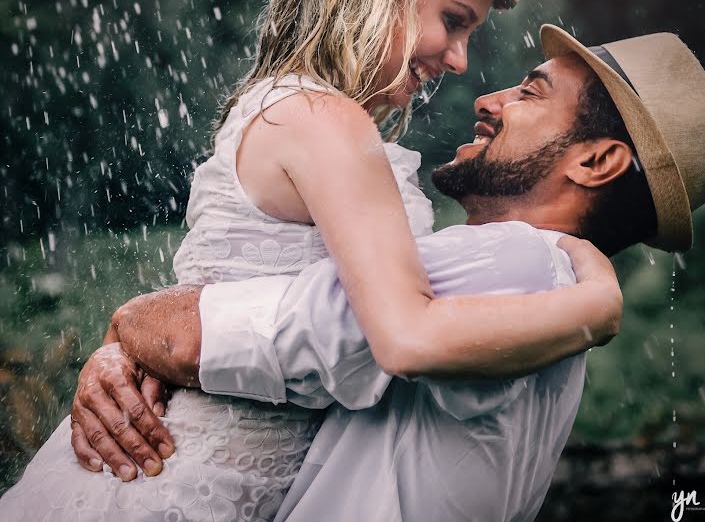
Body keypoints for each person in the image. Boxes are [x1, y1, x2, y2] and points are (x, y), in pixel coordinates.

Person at [5, 26, 703, 521]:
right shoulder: (543, 289)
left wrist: (124, 328)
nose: (488, 100)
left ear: (596, 163)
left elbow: (198, 339)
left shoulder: (511, 262)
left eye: (528, 93)